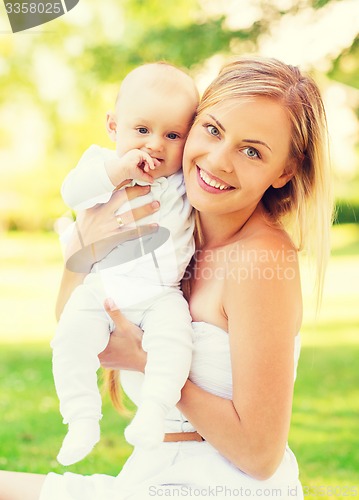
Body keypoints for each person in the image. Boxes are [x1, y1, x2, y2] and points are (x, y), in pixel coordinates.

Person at [0, 55, 333, 500]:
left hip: (219, 488)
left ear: (285, 172)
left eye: (252, 151)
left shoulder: (260, 260)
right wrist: (82, 246)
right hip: (157, 476)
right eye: (212, 130)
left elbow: (259, 455)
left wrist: (146, 361)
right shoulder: (175, 230)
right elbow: (80, 325)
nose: (218, 160)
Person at [51, 62, 200, 465]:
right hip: (106, 289)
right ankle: (81, 418)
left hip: (162, 295)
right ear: (113, 127)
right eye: (141, 130)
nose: (154, 145)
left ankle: (152, 415)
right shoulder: (101, 165)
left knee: (174, 346)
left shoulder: (184, 179)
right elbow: (71, 193)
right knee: (68, 341)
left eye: (172, 135)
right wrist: (115, 171)